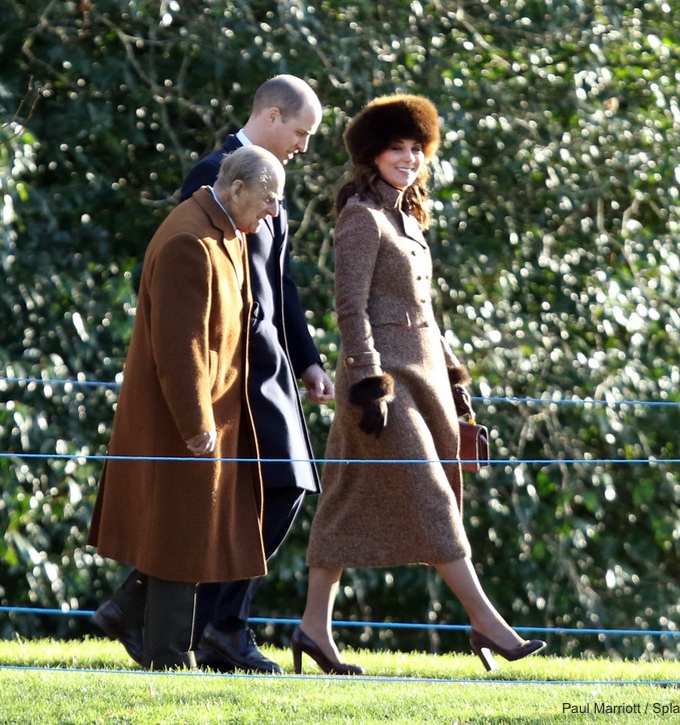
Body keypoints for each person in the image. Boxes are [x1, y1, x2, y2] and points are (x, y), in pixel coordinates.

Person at [293, 95, 546, 675]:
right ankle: (486, 621)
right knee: (431, 496)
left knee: (342, 498)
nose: (407, 159)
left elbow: (426, 313)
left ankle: (312, 628)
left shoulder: (409, 218)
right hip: (382, 382)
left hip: (425, 376)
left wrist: (456, 380)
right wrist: (367, 381)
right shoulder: (361, 216)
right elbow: (349, 309)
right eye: (396, 149)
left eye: (416, 149)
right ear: (372, 155)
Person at [87, 146, 285, 670]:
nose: (272, 213)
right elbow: (181, 347)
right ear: (236, 188)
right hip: (180, 415)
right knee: (180, 535)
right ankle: (168, 657)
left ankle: (126, 611)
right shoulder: (188, 240)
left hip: (215, 409)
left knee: (198, 527)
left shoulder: (228, 232)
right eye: (268, 200)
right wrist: (196, 423)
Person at [174, 74, 334, 674]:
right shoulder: (214, 172)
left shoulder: (271, 182)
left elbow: (280, 283)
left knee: (284, 487)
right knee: (281, 485)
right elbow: (199, 278)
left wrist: (310, 358)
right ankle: (209, 624)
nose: (305, 146)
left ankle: (214, 625)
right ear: (271, 115)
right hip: (234, 372)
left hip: (273, 367)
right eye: (301, 132)